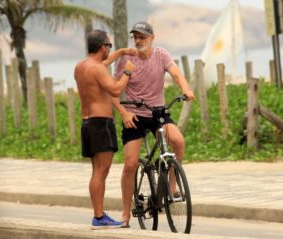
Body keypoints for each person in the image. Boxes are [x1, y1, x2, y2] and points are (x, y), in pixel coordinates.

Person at [112, 21, 195, 227]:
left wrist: (186, 89)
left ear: (152, 38)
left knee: (178, 142)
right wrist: (123, 113)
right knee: (130, 164)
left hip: (157, 112)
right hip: (134, 115)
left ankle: (173, 188)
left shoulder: (161, 54)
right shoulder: (125, 59)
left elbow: (176, 74)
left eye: (143, 36)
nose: (139, 40)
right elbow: (112, 91)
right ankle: (125, 213)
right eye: (136, 37)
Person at [74, 29, 135, 229]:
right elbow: (116, 90)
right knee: (101, 171)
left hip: (88, 123)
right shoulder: (98, 69)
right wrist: (127, 70)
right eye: (109, 45)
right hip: (101, 124)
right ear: (102, 47)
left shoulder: (82, 66)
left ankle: (99, 216)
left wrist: (123, 51)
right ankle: (99, 217)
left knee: (96, 171)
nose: (110, 48)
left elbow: (104, 64)